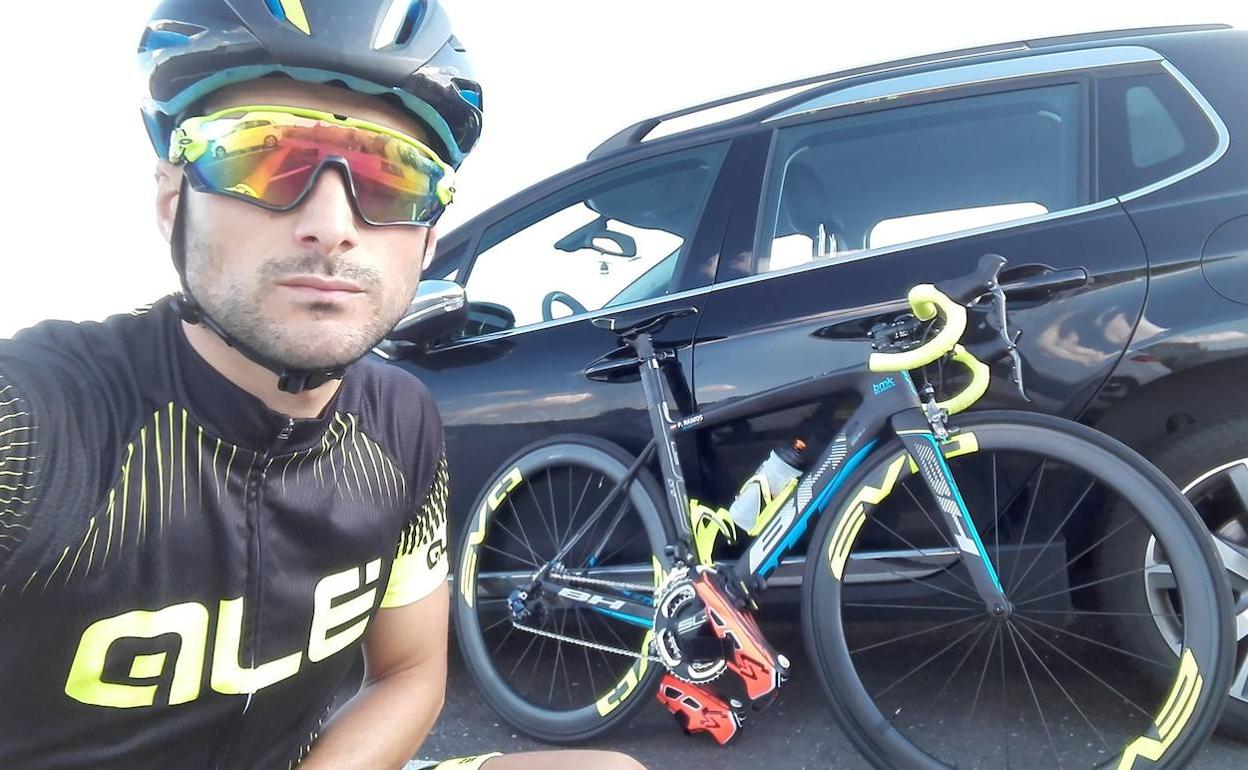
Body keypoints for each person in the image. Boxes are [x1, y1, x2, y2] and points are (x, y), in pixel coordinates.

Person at [0, 2, 644, 769]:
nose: (331, 223)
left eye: (392, 175)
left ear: (429, 236)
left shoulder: (402, 421)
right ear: (174, 201)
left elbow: (410, 672)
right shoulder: (34, 421)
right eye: (263, 156)